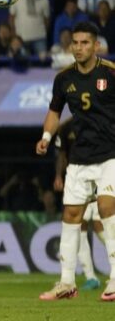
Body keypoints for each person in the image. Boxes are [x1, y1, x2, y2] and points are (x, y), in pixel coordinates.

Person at [36, 21, 115, 301]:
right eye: (75, 43)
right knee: (71, 216)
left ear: (96, 45)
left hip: (110, 155)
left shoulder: (110, 73)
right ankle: (66, 282)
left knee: (107, 207)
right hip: (80, 158)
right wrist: (47, 135)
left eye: (85, 43)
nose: (79, 48)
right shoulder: (63, 79)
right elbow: (54, 111)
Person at [53, 117, 105, 291]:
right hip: (78, 180)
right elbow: (62, 154)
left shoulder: (99, 120)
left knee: (100, 226)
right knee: (79, 226)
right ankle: (90, 276)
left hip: (100, 177)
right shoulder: (66, 128)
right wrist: (59, 176)